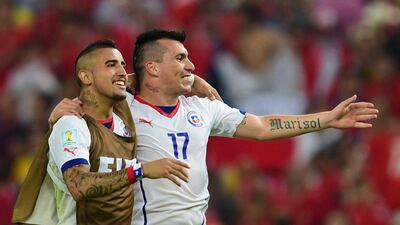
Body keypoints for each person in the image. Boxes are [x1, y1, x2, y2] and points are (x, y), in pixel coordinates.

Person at [52, 30, 379, 225]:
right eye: (180, 58)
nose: (191, 65)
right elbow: (90, 102)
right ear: (151, 67)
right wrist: (63, 113)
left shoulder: (203, 108)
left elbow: (263, 127)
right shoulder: (126, 110)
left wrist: (326, 119)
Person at [12, 39, 192, 225]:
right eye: (111, 64)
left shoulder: (125, 119)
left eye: (123, 65)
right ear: (86, 77)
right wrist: (140, 171)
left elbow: (154, 78)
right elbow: (79, 185)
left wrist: (196, 82)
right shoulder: (72, 125)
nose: (122, 72)